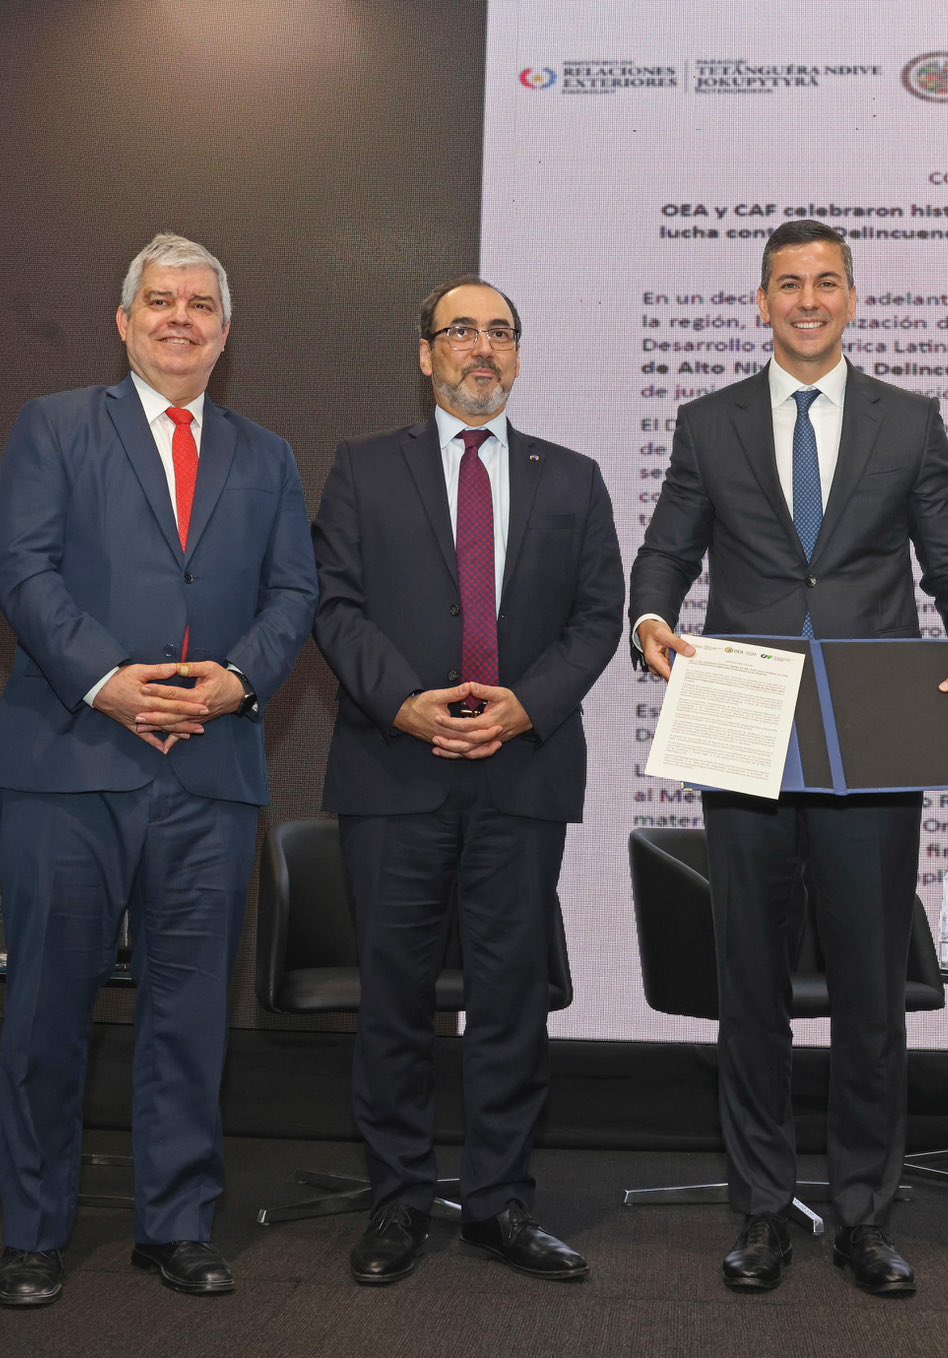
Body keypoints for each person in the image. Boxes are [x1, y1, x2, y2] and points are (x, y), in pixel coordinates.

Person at [628, 219, 948, 1296]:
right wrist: (650, 621)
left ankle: (863, 1214)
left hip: (873, 729)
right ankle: (757, 1210)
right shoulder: (708, 423)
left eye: (825, 282)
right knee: (747, 983)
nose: (806, 299)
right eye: (786, 284)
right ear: (760, 301)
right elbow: (664, 552)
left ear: (850, 297)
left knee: (868, 990)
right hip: (742, 718)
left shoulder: (908, 419)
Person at [0, 233, 317, 1307]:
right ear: (123, 322)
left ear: (225, 331)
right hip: (69, 762)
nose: (181, 318)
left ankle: (175, 1222)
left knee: (187, 1015)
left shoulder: (265, 455)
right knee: (44, 1010)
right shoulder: (56, 424)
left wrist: (233, 683)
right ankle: (34, 1230)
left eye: (201, 305)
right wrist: (107, 679)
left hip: (210, 768)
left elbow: (294, 594)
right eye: (160, 302)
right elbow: (17, 565)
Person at [311, 275, 621, 1286]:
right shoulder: (362, 469)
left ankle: (499, 1201)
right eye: (459, 331)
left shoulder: (570, 477)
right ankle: (397, 1198)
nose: (479, 349)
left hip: (519, 769)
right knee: (393, 1000)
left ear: (517, 356)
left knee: (508, 1003)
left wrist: (522, 705)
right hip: (394, 764)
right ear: (425, 354)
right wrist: (404, 701)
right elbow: (335, 605)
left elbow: (595, 616)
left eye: (498, 333)